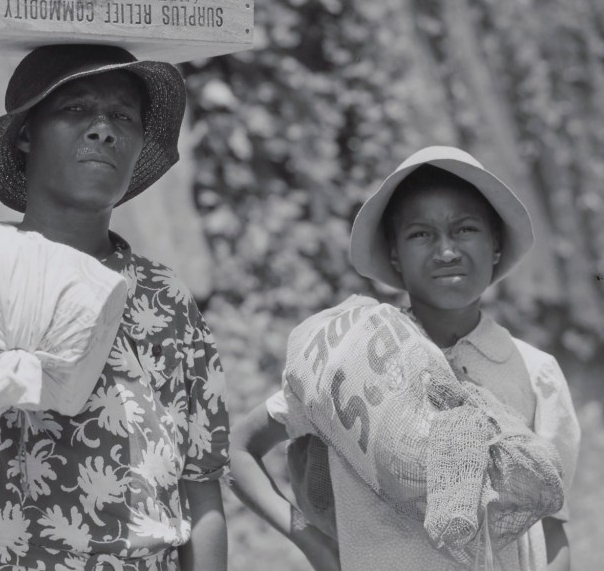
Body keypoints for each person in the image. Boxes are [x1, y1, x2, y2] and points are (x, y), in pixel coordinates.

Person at [0, 45, 230, 571]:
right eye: (76, 109)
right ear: (26, 134)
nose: (103, 130)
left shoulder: (167, 303)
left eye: (123, 117)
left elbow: (200, 495)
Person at [229, 146, 580, 571]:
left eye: (465, 229)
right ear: (394, 254)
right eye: (420, 234)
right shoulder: (354, 359)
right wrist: (313, 543)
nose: (446, 251)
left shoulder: (534, 372)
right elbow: (239, 448)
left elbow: (551, 527)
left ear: (495, 245)